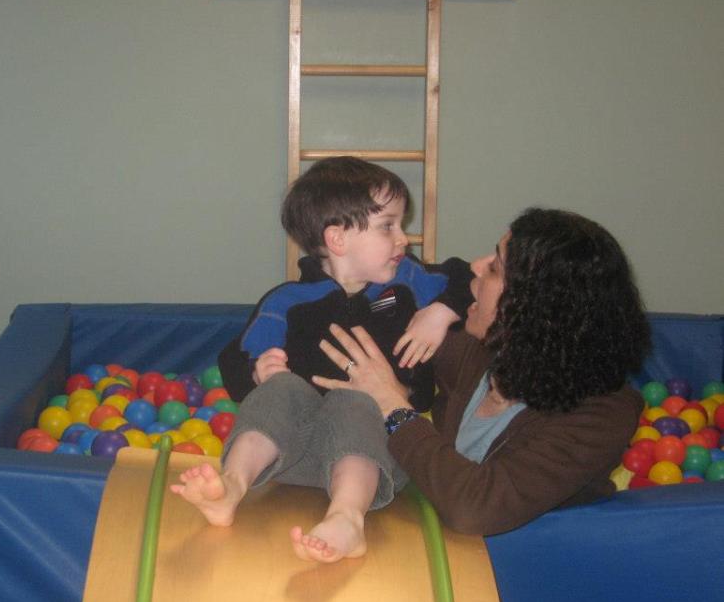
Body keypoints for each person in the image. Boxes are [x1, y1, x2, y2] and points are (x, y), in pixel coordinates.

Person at [171, 156, 474, 562]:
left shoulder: (410, 283)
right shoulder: (288, 302)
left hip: (376, 453)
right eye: (388, 226)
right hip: (293, 454)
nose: (404, 239)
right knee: (281, 388)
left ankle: (347, 518)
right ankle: (232, 485)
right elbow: (236, 357)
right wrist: (256, 372)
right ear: (337, 239)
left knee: (355, 398)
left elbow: (471, 279)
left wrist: (441, 312)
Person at [312, 207, 652, 536]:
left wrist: (394, 407)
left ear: (532, 305)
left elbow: (474, 509)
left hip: (520, 562)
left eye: (494, 268)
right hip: (437, 538)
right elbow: (374, 322)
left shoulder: (603, 415)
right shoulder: (480, 351)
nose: (475, 266)